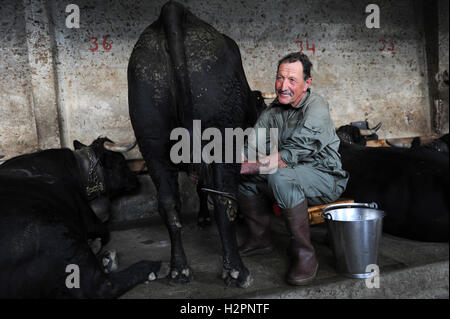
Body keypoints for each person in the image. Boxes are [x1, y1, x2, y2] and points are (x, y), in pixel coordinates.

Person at [238, 52, 349, 286]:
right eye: (280, 78)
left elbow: (290, 155)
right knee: (245, 179)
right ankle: (260, 239)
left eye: (292, 80)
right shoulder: (272, 113)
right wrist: (232, 162)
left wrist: (251, 166)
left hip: (325, 177)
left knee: (278, 174)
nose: (283, 86)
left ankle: (305, 255)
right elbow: (251, 147)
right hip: (289, 174)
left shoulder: (316, 106)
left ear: (307, 83)